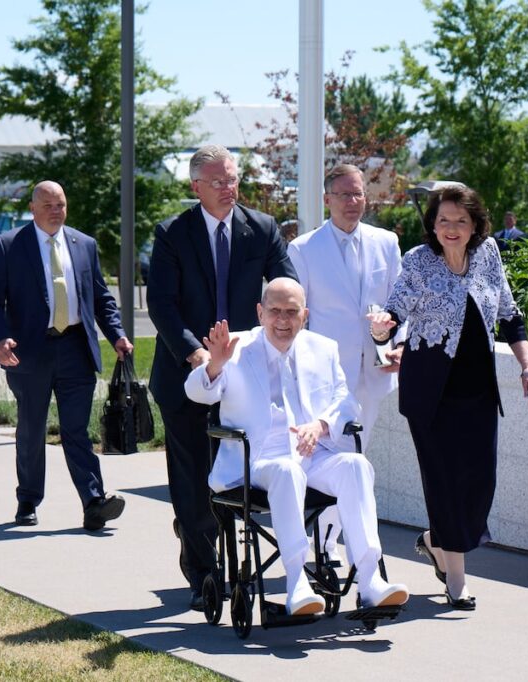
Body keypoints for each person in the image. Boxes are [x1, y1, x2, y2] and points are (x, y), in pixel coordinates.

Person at [184, 278, 409, 616]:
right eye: (274, 311)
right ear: (260, 312)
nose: (283, 320)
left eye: (291, 312)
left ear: (304, 315)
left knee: (356, 465)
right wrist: (214, 364)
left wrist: (320, 426)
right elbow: (198, 393)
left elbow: (345, 402)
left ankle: (369, 579)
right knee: (287, 471)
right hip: (256, 462)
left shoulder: (322, 348)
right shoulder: (236, 347)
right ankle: (296, 584)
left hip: (312, 455)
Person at [368, 185, 528, 611]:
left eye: (460, 221)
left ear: (475, 225)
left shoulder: (489, 255)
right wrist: (380, 330)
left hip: (478, 389)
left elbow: (509, 314)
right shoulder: (418, 260)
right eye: (443, 220)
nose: (451, 228)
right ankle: (456, 581)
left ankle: (434, 542)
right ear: (433, 223)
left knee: (479, 482)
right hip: (430, 393)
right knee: (444, 482)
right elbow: (394, 315)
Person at [147, 144, 297, 611]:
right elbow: (162, 305)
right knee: (193, 480)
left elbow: (285, 287)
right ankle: (204, 574)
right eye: (218, 182)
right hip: (187, 377)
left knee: (235, 477)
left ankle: (235, 564)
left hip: (246, 384)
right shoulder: (172, 233)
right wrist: (198, 356)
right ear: (196, 186)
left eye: (233, 179)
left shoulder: (263, 229)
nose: (229, 188)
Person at [0, 180, 134, 532]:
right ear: (33, 209)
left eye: (61, 205)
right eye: (48, 205)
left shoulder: (84, 245)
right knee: (32, 428)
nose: (55, 211)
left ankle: (94, 502)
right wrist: (0, 339)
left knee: (76, 429)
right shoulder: (9, 246)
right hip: (29, 353)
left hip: (75, 348)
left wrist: (118, 335)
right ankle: (28, 499)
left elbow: (100, 298)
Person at [287, 163, 405, 564]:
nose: (352, 202)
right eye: (343, 195)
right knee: (333, 455)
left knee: (356, 455)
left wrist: (399, 344)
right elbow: (298, 316)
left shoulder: (386, 242)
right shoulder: (303, 249)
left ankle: (325, 539)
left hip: (375, 368)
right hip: (327, 376)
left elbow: (398, 303)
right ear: (327, 200)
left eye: (358, 194)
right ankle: (324, 541)